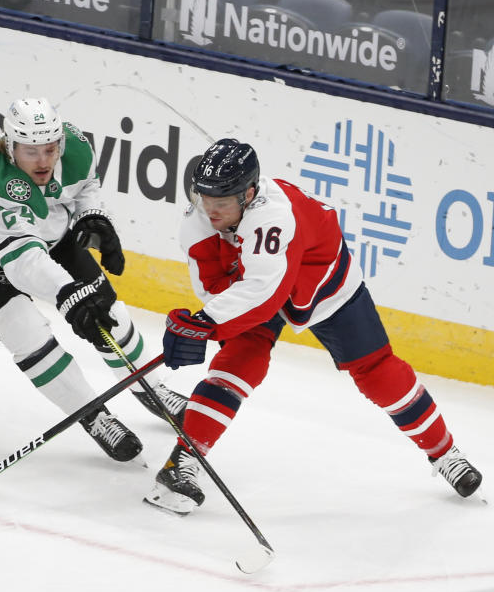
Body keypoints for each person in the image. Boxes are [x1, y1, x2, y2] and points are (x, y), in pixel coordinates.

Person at [145, 138, 483, 513]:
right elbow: (216, 290)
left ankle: (445, 453)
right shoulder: (198, 222)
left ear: (249, 194)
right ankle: (183, 463)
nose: (209, 211)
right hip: (257, 284)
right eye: (203, 199)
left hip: (321, 281)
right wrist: (203, 324)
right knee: (240, 362)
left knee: (377, 371)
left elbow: (265, 293)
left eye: (220, 203)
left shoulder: (274, 215)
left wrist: (208, 324)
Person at [0, 97, 187, 463]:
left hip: (42, 232)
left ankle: (152, 388)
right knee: (26, 330)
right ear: (12, 148)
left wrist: (93, 216)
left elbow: (85, 188)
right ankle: (93, 415)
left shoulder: (75, 147)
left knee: (109, 312)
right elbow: (21, 260)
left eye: (49, 149)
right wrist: (68, 294)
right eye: (31, 152)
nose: (44, 161)